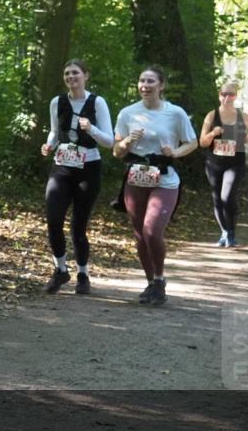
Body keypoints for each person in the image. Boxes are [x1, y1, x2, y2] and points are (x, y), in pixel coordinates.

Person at [112, 66, 198, 306]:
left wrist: (176, 152)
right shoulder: (127, 113)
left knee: (152, 230)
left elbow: (192, 142)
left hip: (165, 179)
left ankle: (159, 278)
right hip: (136, 177)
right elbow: (117, 151)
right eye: (142, 81)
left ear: (161, 86)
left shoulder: (175, 113)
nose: (145, 85)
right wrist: (128, 141)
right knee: (140, 234)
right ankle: (151, 283)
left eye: (150, 81)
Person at [39, 59, 114, 295]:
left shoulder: (97, 102)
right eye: (67, 73)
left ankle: (83, 274)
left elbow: (109, 141)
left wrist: (91, 128)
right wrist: (49, 145)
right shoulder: (57, 102)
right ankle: (60, 269)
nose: (71, 77)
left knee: (78, 227)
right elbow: (54, 132)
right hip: (61, 166)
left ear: (85, 76)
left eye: (75, 73)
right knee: (53, 220)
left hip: (88, 167)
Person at [199, 82, 248, 247]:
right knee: (217, 198)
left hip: (236, 163)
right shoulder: (211, 116)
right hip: (214, 163)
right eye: (224, 94)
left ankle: (231, 232)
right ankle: (225, 232)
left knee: (227, 196)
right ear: (219, 95)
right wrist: (213, 133)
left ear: (235, 96)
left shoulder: (244, 116)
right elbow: (202, 142)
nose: (227, 97)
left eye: (231, 94)